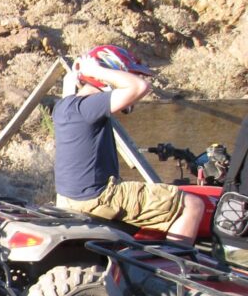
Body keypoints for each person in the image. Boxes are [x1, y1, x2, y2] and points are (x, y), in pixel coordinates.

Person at [53, 44, 205, 244]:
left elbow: (72, 83)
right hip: (100, 196)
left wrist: (83, 74)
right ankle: (171, 270)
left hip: (71, 197)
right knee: (192, 205)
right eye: (126, 74)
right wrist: (97, 71)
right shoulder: (90, 106)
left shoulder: (65, 106)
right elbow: (140, 87)